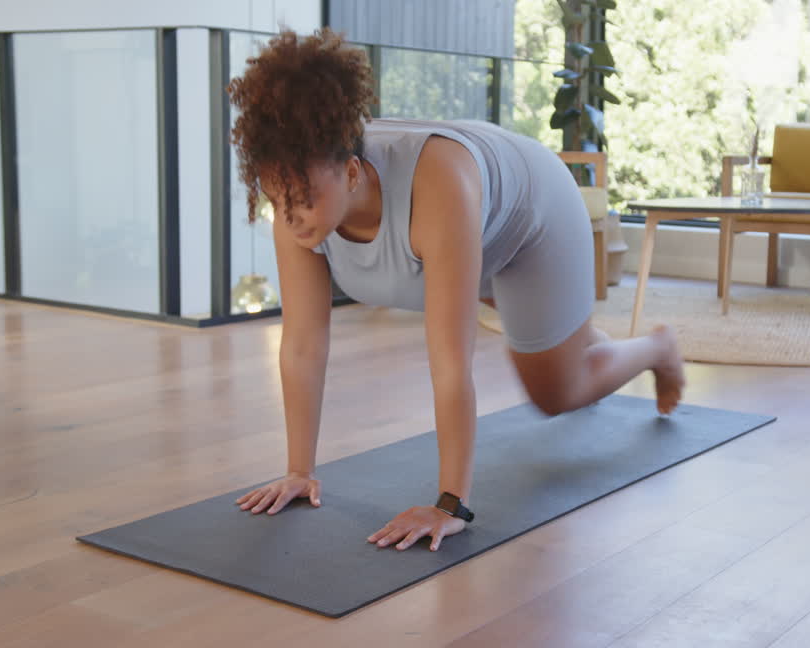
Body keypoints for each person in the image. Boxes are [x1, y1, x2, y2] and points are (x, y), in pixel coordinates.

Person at [230, 28, 685, 552]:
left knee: (556, 394)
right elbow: (304, 347)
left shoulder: (436, 188)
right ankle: (571, 334)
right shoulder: (297, 207)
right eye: (275, 198)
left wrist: (451, 505)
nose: (290, 216)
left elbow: (450, 365)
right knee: (549, 346)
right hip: (470, 234)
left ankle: (658, 348)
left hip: (534, 219)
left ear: (352, 172)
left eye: (303, 199)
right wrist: (297, 472)